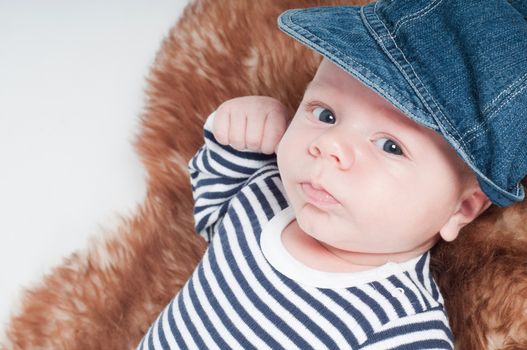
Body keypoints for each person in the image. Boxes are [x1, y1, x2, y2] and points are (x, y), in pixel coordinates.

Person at [138, 0, 527, 348]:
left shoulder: (398, 323)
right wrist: (237, 135)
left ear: (460, 210)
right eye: (325, 114)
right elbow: (208, 208)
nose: (330, 145)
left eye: (391, 146)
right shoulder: (262, 192)